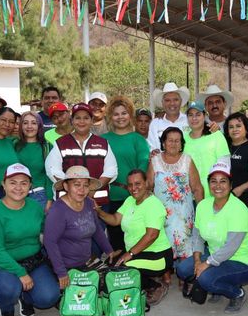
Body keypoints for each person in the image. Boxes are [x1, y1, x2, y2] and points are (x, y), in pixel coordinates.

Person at [0, 163, 60, 316]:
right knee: (9, 288)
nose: (18, 187)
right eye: (13, 182)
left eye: (24, 183)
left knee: (48, 297)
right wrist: (21, 273)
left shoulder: (34, 207)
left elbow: (47, 232)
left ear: (30, 186)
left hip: (32, 261)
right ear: (3, 184)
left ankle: (26, 297)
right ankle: (7, 310)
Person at [175, 162, 248, 313]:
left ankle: (237, 293)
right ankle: (218, 284)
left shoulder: (238, 209)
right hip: (216, 254)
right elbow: (197, 236)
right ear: (208, 184)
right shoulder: (203, 205)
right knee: (183, 269)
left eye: (223, 181)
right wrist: (196, 261)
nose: (218, 186)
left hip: (243, 261)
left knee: (205, 278)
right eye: (213, 181)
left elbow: (230, 247)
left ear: (231, 185)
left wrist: (206, 263)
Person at [97, 169, 173, 305]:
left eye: (138, 184)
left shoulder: (153, 204)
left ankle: (155, 286)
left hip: (158, 256)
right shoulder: (130, 200)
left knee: (123, 267)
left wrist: (130, 253)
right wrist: (98, 211)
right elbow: (115, 220)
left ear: (147, 183)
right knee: (111, 265)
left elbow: (151, 235)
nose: (133, 188)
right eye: (130, 185)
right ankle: (144, 280)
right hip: (139, 253)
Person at [44, 166, 118, 288]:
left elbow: (97, 230)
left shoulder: (89, 203)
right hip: (65, 265)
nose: (82, 190)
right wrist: (61, 273)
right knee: (81, 295)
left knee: (110, 283)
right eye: (77, 185)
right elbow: (50, 242)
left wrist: (109, 250)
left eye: (85, 185)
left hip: (86, 261)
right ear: (66, 186)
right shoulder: (58, 210)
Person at [148, 127, 204, 262]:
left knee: (185, 243)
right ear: (163, 143)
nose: (173, 144)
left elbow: (197, 188)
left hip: (184, 214)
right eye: (170, 140)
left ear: (181, 144)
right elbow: (148, 186)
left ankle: (184, 274)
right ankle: (165, 273)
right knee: (163, 243)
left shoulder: (187, 160)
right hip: (162, 213)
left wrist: (202, 211)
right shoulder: (154, 161)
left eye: (177, 141)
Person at [102, 96, 151, 250]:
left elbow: (142, 166)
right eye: (116, 114)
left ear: (130, 115)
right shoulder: (102, 140)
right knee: (116, 242)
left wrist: (135, 189)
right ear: (110, 117)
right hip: (110, 197)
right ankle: (118, 272)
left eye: (124, 113)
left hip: (133, 197)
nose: (120, 117)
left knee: (135, 238)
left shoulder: (138, 140)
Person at [45, 103, 117, 206]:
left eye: (86, 118)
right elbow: (52, 169)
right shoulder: (60, 143)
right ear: (72, 121)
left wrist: (92, 189)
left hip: (98, 204)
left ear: (92, 121)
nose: (81, 121)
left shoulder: (103, 143)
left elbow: (111, 170)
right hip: (68, 203)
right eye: (77, 118)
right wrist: (74, 191)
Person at [183, 101, 231, 192]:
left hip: (212, 193)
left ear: (204, 116)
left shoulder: (216, 135)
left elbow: (225, 165)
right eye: (190, 115)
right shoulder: (182, 139)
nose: (194, 118)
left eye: (198, 115)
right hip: (189, 194)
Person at [15, 111, 53, 212]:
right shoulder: (14, 144)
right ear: (21, 126)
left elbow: (50, 175)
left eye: (34, 123)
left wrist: (49, 199)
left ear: (39, 126)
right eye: (25, 123)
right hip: (15, 194)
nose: (29, 126)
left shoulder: (47, 147)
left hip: (39, 195)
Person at [223, 112, 248, 207]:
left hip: (246, 200)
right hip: (224, 200)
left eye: (238, 126)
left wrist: (241, 188)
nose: (235, 129)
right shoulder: (223, 147)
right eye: (231, 127)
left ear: (246, 128)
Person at [147, 82, 190, 151]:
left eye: (175, 100)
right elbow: (152, 148)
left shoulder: (190, 121)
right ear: (162, 103)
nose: (172, 103)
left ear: (181, 101)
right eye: (167, 100)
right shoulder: (155, 124)